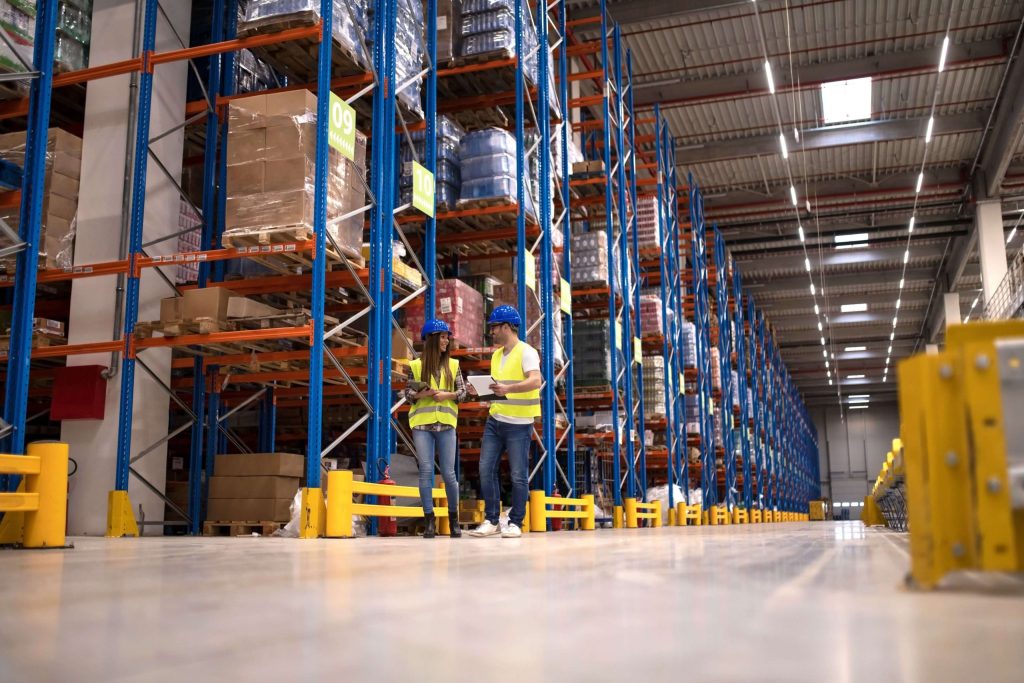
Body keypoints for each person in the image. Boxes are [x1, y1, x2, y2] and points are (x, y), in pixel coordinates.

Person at [468, 305, 542, 538]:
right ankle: (492, 520)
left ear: (507, 327)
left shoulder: (527, 352)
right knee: (485, 469)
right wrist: (479, 391)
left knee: (518, 474)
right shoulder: (496, 355)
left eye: (494, 327)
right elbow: (497, 389)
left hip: (519, 424)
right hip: (495, 420)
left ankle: (515, 522)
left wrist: (507, 388)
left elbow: (535, 381)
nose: (492, 332)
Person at [403, 319, 467, 539]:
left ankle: (454, 521)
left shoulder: (454, 365)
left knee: (449, 474)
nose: (446, 341)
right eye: (442, 337)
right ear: (431, 339)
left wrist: (445, 395)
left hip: (446, 425)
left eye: (447, 337)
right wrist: (424, 394)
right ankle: (429, 521)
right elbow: (408, 395)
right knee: (426, 472)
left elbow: (462, 393)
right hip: (422, 425)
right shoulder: (416, 366)